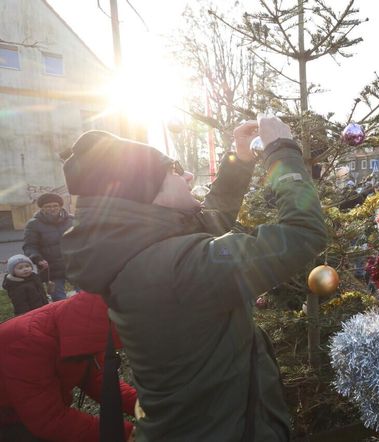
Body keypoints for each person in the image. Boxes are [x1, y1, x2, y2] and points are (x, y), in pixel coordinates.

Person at [61, 116, 327, 441]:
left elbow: (209, 221)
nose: (187, 174)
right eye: (173, 169)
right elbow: (302, 234)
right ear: (149, 193)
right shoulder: (179, 268)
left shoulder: (137, 250)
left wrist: (239, 160)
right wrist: (282, 153)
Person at [0, 291, 137, 441]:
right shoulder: (26, 344)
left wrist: (145, 407)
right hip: (9, 416)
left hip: (28, 409)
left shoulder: (84, 326)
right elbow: (48, 419)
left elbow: (98, 379)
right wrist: (122, 433)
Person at [23, 192, 74, 301]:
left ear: (60, 206)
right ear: (42, 208)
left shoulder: (72, 220)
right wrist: (37, 258)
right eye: (48, 206)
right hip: (51, 267)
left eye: (55, 205)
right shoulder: (33, 224)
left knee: (85, 294)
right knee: (59, 299)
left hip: (74, 264)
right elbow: (29, 246)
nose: (52, 208)